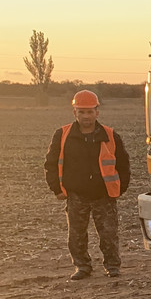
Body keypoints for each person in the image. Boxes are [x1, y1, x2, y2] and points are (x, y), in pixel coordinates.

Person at [45, 90, 131, 280]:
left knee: (109, 234)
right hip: (76, 195)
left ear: (97, 112)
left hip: (104, 195)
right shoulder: (62, 135)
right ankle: (82, 267)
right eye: (82, 112)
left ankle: (112, 266)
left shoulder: (110, 135)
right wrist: (57, 189)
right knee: (76, 236)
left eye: (90, 111)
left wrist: (119, 189)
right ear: (74, 112)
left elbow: (123, 165)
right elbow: (50, 164)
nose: (86, 116)